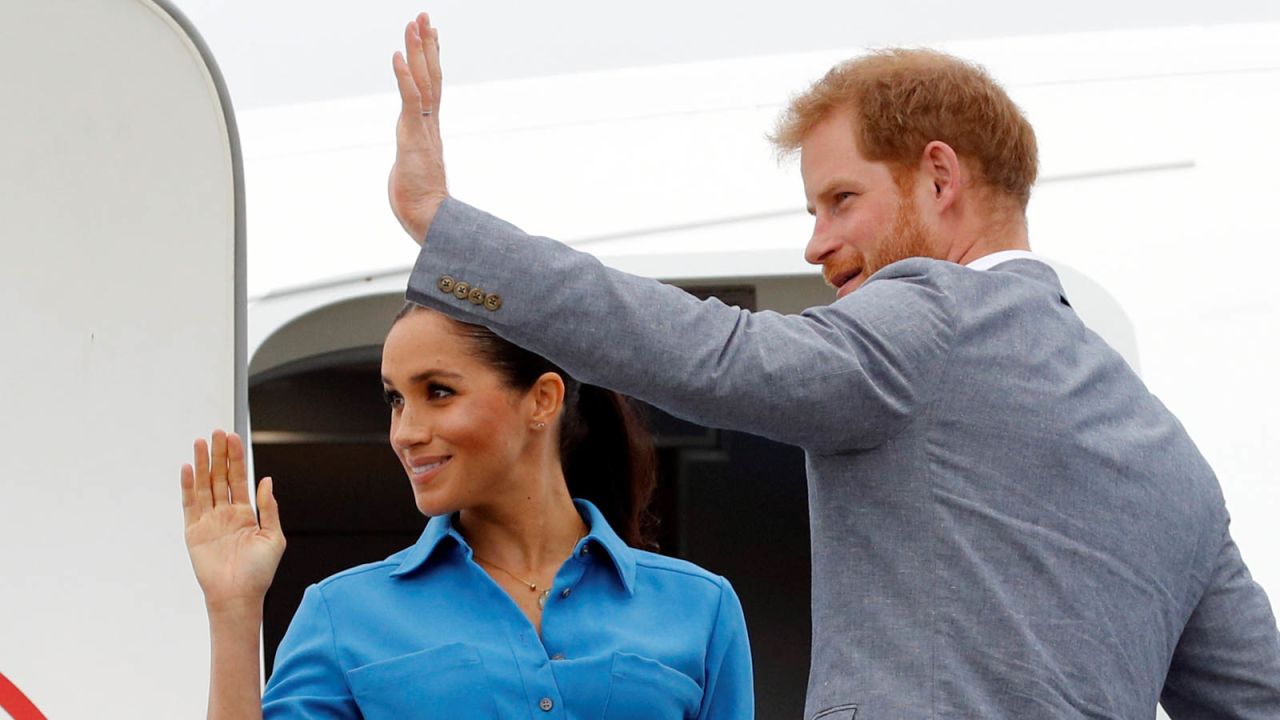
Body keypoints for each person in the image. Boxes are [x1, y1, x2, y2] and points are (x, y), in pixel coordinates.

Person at [387, 12, 1280, 719]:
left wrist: (443, 224)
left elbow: (713, 353)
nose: (817, 245)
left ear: (940, 178)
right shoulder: (1175, 461)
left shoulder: (933, 316)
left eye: (840, 200)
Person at [180, 303, 754, 719]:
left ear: (543, 400)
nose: (405, 432)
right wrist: (233, 614)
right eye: (395, 399)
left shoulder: (700, 609)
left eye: (438, 392)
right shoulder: (343, 614)